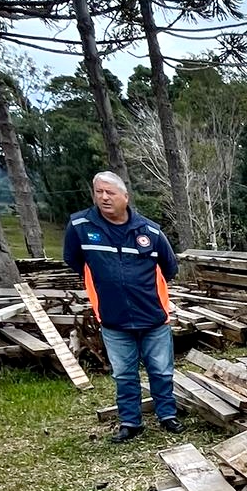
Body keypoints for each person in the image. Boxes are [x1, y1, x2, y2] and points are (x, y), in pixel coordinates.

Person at [63, 171, 184, 443]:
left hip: (153, 315)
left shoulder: (150, 231)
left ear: (125, 198)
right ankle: (131, 422)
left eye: (111, 193)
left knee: (162, 370)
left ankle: (167, 415)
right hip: (113, 318)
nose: (104, 197)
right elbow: (73, 261)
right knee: (124, 374)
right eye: (99, 192)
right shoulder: (81, 226)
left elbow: (170, 267)